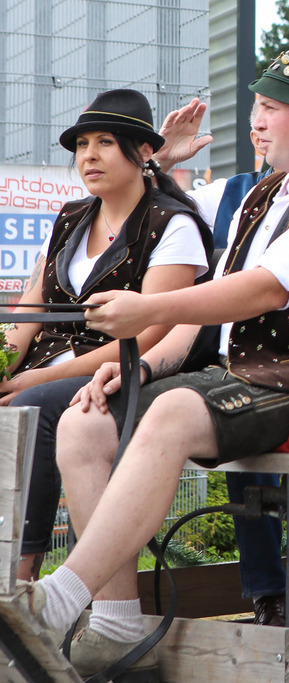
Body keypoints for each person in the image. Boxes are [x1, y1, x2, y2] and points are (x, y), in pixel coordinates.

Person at [12, 30, 289, 679]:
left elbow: (267, 288)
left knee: (168, 415)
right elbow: (210, 330)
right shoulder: (264, 192)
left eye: (270, 107)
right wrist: (139, 363)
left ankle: (59, 600)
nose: (255, 121)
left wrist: (150, 310)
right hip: (243, 377)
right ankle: (114, 620)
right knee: (84, 418)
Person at [0, 89, 212, 583]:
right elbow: (32, 308)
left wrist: (31, 382)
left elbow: (152, 335)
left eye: (104, 142)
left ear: (142, 153)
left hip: (125, 373)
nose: (88, 156)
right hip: (44, 374)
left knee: (38, 408)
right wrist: (5, 364)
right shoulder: (71, 217)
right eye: (81, 145)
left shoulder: (172, 225)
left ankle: (19, 579)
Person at [157, 98, 289, 626]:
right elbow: (159, 210)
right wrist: (161, 162)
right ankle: (266, 591)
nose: (259, 125)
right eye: (255, 114)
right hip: (229, 354)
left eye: (271, 112)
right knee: (228, 409)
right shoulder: (231, 192)